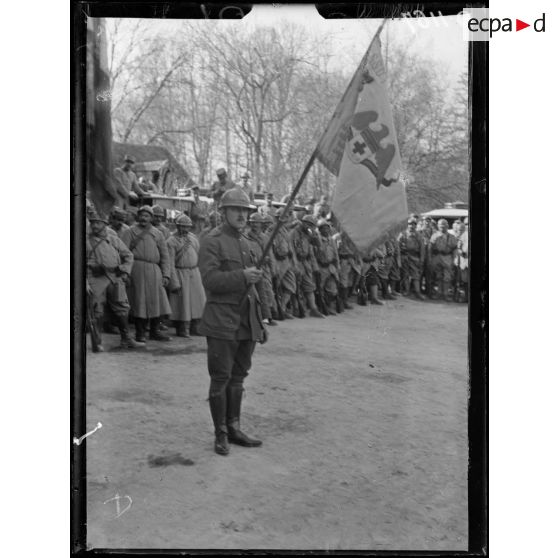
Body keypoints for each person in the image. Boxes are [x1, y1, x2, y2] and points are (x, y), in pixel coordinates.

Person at [198, 188, 268, 456]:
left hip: (246, 321)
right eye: (236, 210)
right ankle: (221, 434)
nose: (242, 215)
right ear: (223, 212)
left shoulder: (249, 243)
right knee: (221, 378)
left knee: (238, 377)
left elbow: (260, 282)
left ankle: (235, 427)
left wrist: (262, 318)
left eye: (246, 211)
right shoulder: (211, 240)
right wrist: (242, 276)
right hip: (221, 321)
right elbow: (210, 280)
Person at [86, 211, 144, 350]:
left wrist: (124, 271)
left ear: (105, 225)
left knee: (122, 307)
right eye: (93, 223)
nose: (95, 226)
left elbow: (128, 255)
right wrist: (86, 283)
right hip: (95, 278)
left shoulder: (113, 239)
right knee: (97, 310)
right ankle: (97, 342)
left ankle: (126, 339)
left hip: (115, 277)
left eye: (98, 223)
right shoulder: (86, 241)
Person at [120, 205, 172, 342]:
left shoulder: (158, 234)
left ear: (151, 218)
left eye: (147, 216)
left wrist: (166, 274)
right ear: (138, 216)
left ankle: (155, 331)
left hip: (155, 271)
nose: (144, 218)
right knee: (139, 302)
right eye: (142, 215)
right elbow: (123, 253)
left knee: (157, 301)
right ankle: (140, 332)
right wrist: (126, 272)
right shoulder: (130, 232)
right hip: (136, 268)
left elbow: (165, 256)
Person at [166, 215, 206, 338]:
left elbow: (199, 254)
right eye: (182, 226)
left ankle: (196, 327)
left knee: (198, 301)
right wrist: (174, 281)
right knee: (182, 303)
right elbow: (170, 262)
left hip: (194, 272)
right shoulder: (171, 241)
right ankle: (182, 328)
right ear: (177, 226)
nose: (184, 229)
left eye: (187, 226)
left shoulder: (193, 238)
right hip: (180, 272)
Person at [289, 215, 325, 318]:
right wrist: (295, 265)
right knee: (295, 287)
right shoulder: (293, 233)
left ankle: (313, 309)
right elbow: (292, 251)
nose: (309, 227)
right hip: (295, 262)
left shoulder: (308, 234)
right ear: (303, 223)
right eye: (308, 224)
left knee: (309, 286)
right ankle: (295, 309)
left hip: (305, 263)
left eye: (312, 225)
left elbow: (318, 246)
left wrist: (314, 234)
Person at [246, 213, 278, 325]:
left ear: (261, 224)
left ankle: (267, 316)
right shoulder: (246, 236)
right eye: (253, 222)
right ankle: (258, 316)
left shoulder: (265, 238)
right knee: (254, 293)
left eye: (257, 222)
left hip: (265, 269)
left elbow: (270, 254)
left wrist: (273, 268)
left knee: (267, 292)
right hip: (252, 267)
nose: (255, 225)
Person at [271, 208, 298, 319]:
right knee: (274, 287)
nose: (285, 219)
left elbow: (290, 247)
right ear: (277, 218)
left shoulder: (285, 230)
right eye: (283, 217)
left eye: (287, 217)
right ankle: (274, 311)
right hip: (277, 261)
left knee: (291, 286)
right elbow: (269, 248)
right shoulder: (272, 230)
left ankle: (282, 308)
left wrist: (294, 262)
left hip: (286, 261)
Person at [314, 219, 340, 314]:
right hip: (320, 267)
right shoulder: (317, 240)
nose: (326, 230)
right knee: (319, 289)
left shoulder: (332, 240)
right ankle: (320, 308)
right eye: (323, 228)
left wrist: (338, 266)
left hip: (331, 267)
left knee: (332, 289)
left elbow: (336, 254)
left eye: (327, 228)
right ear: (319, 230)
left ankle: (329, 307)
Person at [429, 218, 459, 301]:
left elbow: (455, 249)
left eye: (444, 225)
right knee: (438, 276)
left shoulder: (452, 236)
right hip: (437, 257)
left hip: (447, 257)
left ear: (447, 226)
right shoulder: (434, 235)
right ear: (438, 226)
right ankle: (439, 293)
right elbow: (430, 248)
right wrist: (430, 259)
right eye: (440, 225)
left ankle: (445, 294)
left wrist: (454, 259)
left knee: (447, 277)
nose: (442, 227)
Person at [398, 218, 425, 299]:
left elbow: (422, 249)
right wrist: (399, 259)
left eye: (413, 224)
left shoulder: (419, 236)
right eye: (409, 224)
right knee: (405, 275)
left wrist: (422, 259)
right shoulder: (402, 234)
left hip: (415, 257)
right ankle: (407, 291)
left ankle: (417, 292)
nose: (411, 226)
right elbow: (398, 248)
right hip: (405, 257)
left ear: (416, 226)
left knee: (416, 275)